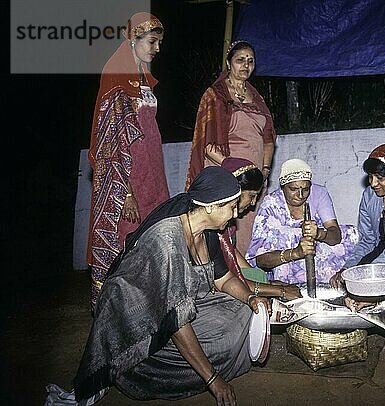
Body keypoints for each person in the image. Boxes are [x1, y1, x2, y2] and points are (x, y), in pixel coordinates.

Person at [47, 167, 271, 405]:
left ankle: (212, 354)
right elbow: (175, 321)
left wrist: (249, 297)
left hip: (175, 311)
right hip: (139, 332)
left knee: (243, 310)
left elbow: (223, 279)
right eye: (231, 207)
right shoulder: (167, 241)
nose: (236, 214)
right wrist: (212, 379)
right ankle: (151, 374)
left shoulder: (208, 231)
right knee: (221, 343)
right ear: (211, 206)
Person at [86, 12, 170, 310]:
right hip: (129, 179)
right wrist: (127, 193)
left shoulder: (142, 79)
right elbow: (113, 144)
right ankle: (120, 314)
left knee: (153, 240)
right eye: (152, 41)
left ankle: (148, 309)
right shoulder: (116, 76)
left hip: (152, 174)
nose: (157, 48)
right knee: (126, 243)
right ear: (133, 39)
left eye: (160, 42)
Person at [186, 40, 276, 256]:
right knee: (224, 224)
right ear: (228, 63)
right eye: (240, 60)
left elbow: (269, 139)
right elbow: (206, 145)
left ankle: (251, 273)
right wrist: (236, 169)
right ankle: (224, 274)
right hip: (226, 171)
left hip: (254, 177)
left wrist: (263, 172)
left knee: (253, 225)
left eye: (250, 61)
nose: (245, 65)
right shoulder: (215, 96)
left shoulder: (258, 99)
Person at [329, 144, 385, 336]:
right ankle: (361, 312)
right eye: (370, 177)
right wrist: (349, 268)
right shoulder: (370, 197)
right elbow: (367, 241)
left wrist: (373, 274)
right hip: (381, 250)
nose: (373, 183)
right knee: (353, 281)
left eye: (380, 178)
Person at [246, 158, 358, 285]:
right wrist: (296, 253)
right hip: (288, 257)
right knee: (285, 235)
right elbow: (261, 259)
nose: (300, 195)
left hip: (316, 253)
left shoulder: (319, 193)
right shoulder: (271, 204)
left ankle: (328, 281)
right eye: (293, 189)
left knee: (351, 233)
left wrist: (319, 234)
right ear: (283, 187)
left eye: (305, 189)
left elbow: (336, 236)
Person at [220, 156, 301, 300]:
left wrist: (267, 283)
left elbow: (232, 254)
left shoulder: (228, 224)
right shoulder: (213, 226)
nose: (252, 204)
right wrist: (278, 291)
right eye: (251, 196)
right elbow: (227, 279)